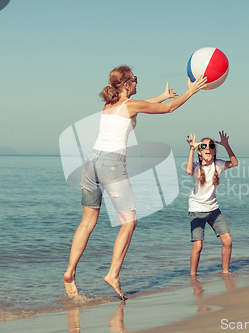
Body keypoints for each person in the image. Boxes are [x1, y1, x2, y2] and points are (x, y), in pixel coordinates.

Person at [63, 65, 207, 300]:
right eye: (136, 79)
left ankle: (70, 272)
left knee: (87, 223)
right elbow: (168, 109)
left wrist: (161, 95)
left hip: (90, 163)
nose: (138, 83)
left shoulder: (109, 105)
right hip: (111, 164)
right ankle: (113, 274)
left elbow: (142, 104)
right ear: (127, 83)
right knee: (129, 223)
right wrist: (192, 91)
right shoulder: (129, 105)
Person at [185, 131, 238, 276]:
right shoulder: (196, 166)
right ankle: (193, 275)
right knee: (198, 245)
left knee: (227, 240)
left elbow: (234, 163)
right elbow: (188, 170)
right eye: (203, 146)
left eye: (211, 146)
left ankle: (225, 272)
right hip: (196, 210)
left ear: (214, 151)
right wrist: (191, 149)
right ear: (200, 152)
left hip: (213, 209)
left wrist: (226, 145)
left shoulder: (218, 165)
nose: (208, 148)